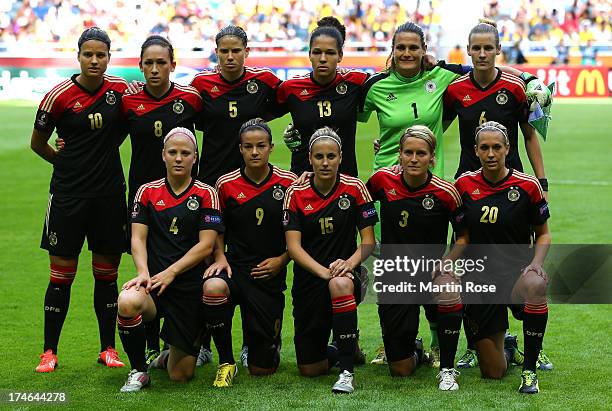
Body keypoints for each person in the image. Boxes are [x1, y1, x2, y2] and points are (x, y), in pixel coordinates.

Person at [443, 19, 550, 370]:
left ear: (498, 50)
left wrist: (542, 180)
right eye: (478, 48)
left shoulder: (517, 87)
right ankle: (479, 340)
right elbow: (434, 127)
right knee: (472, 255)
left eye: (490, 47)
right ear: (469, 51)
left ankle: (532, 340)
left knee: (518, 262)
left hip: (512, 186)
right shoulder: (456, 90)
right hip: (468, 186)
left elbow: (530, 134)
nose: (484, 53)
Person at [30, 27, 127, 373]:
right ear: (78, 56)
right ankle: (49, 352)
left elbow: (130, 124)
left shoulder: (120, 91)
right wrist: (64, 161)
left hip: (109, 196)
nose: (95, 60)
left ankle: (107, 349)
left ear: (109, 57)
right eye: (89, 54)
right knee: (61, 276)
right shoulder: (58, 96)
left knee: (107, 275)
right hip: (68, 196)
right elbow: (37, 143)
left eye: (101, 55)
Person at [116, 127, 223, 392]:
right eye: (172, 152)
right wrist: (142, 272)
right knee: (128, 301)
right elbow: (138, 238)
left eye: (185, 153)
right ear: (163, 155)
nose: (178, 158)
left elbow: (206, 244)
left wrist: (172, 272)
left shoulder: (206, 193)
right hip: (154, 284)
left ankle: (175, 350)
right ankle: (139, 370)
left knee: (180, 374)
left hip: (189, 287)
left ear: (194, 157)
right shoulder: (146, 192)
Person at [366, 125, 468, 390]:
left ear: (432, 158)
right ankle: (416, 350)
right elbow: (356, 201)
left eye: (421, 153)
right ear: (399, 155)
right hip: (395, 275)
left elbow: (463, 237)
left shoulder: (446, 193)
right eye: (408, 152)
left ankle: (447, 367)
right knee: (401, 370)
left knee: (448, 287)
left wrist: (447, 262)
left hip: (430, 273)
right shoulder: (381, 181)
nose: (414, 159)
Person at [121, 35, 203, 365]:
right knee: (147, 266)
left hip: (185, 197)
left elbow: (216, 131)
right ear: (140, 66)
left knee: (190, 265)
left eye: (161, 63)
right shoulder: (127, 102)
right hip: (144, 198)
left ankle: (196, 341)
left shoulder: (190, 98)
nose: (155, 69)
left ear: (173, 64)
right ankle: (152, 345)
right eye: (148, 63)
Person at [454, 121, 551, 394]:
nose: (491, 153)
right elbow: (461, 236)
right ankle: (508, 347)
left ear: (508, 148)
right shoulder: (462, 185)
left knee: (536, 284)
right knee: (493, 372)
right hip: (480, 279)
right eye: (484, 148)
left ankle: (530, 368)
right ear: (475, 150)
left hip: (516, 276)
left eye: (497, 147)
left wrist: (536, 264)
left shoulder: (527, 185)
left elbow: (543, 235)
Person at [202, 118, 296, 386]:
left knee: (262, 369)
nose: (255, 152)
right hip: (235, 268)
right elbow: (217, 230)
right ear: (240, 149)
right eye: (248, 146)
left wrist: (282, 259)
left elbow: (298, 234)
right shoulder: (225, 184)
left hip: (269, 274)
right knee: (213, 288)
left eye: (261, 146)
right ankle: (226, 361)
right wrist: (220, 257)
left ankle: (264, 344)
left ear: (271, 147)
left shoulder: (288, 183)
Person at [283, 127, 377, 394]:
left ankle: (347, 372)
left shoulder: (355, 187)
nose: (325, 162)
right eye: (320, 156)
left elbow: (368, 242)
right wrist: (324, 273)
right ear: (310, 158)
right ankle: (345, 347)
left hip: (348, 274)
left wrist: (348, 265)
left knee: (340, 285)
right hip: (310, 279)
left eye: (331, 156)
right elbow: (293, 248)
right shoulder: (296, 192)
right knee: (310, 370)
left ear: (341, 158)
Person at [190, 25, 282, 187]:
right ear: (216, 52)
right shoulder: (201, 83)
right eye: (224, 51)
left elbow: (291, 100)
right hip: (213, 175)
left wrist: (261, 118)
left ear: (246, 52)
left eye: (236, 51)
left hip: (253, 177)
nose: (230, 57)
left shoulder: (264, 80)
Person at [277, 16, 369, 177]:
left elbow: (393, 81)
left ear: (340, 55)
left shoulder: (357, 82)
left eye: (330, 53)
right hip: (302, 180)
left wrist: (426, 63)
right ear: (309, 54)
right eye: (317, 52)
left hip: (345, 182)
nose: (323, 59)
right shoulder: (290, 88)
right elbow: (256, 110)